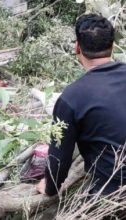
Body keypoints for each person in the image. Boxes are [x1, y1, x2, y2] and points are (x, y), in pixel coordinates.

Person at [36, 14, 126, 201]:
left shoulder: (71, 98)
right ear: (112, 45)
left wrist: (49, 186)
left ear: (78, 46)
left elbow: (59, 158)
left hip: (112, 198)